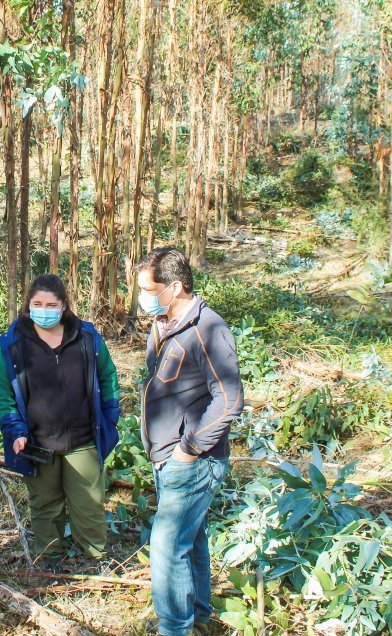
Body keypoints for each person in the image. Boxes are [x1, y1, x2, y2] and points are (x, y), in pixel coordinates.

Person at [135, 247, 244, 636]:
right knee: (190, 540)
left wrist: (189, 448)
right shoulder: (163, 323)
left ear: (176, 286)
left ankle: (174, 627)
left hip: (194, 459)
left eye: (149, 289)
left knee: (165, 546)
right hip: (166, 455)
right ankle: (197, 616)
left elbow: (229, 399)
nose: (143, 297)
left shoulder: (208, 329)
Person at [0, 274, 121, 567]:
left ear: (63, 307)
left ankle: (95, 557)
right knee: (45, 506)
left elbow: (107, 376)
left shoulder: (87, 339)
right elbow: (0, 392)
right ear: (27, 306)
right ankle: (49, 558)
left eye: (51, 304)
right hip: (37, 443)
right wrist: (15, 430)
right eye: (37, 304)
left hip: (83, 440)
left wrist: (111, 416)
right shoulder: (11, 347)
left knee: (89, 505)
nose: (44, 310)